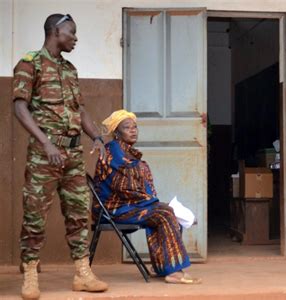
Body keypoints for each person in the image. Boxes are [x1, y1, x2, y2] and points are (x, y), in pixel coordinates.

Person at [12, 14, 108, 299]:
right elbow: (20, 107)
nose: (75, 39)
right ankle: (30, 272)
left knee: (79, 212)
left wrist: (98, 137)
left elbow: (80, 111)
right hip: (45, 155)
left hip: (73, 155)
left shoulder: (70, 69)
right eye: (72, 33)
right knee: (35, 215)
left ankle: (82, 272)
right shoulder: (30, 64)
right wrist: (46, 143)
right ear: (55, 31)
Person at [94, 109, 201, 284]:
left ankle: (162, 267)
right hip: (114, 209)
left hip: (127, 206)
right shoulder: (114, 152)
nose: (133, 130)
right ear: (116, 132)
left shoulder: (126, 151)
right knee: (164, 213)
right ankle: (173, 271)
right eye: (127, 127)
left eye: (135, 127)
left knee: (165, 212)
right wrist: (154, 203)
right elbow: (125, 189)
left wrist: (154, 204)